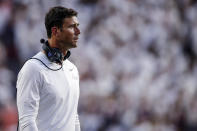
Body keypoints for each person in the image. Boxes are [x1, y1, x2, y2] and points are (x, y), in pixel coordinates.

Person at [16, 6, 81, 131]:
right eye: (72, 27)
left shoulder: (72, 69)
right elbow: (26, 122)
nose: (78, 31)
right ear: (56, 31)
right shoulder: (33, 68)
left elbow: (74, 117)